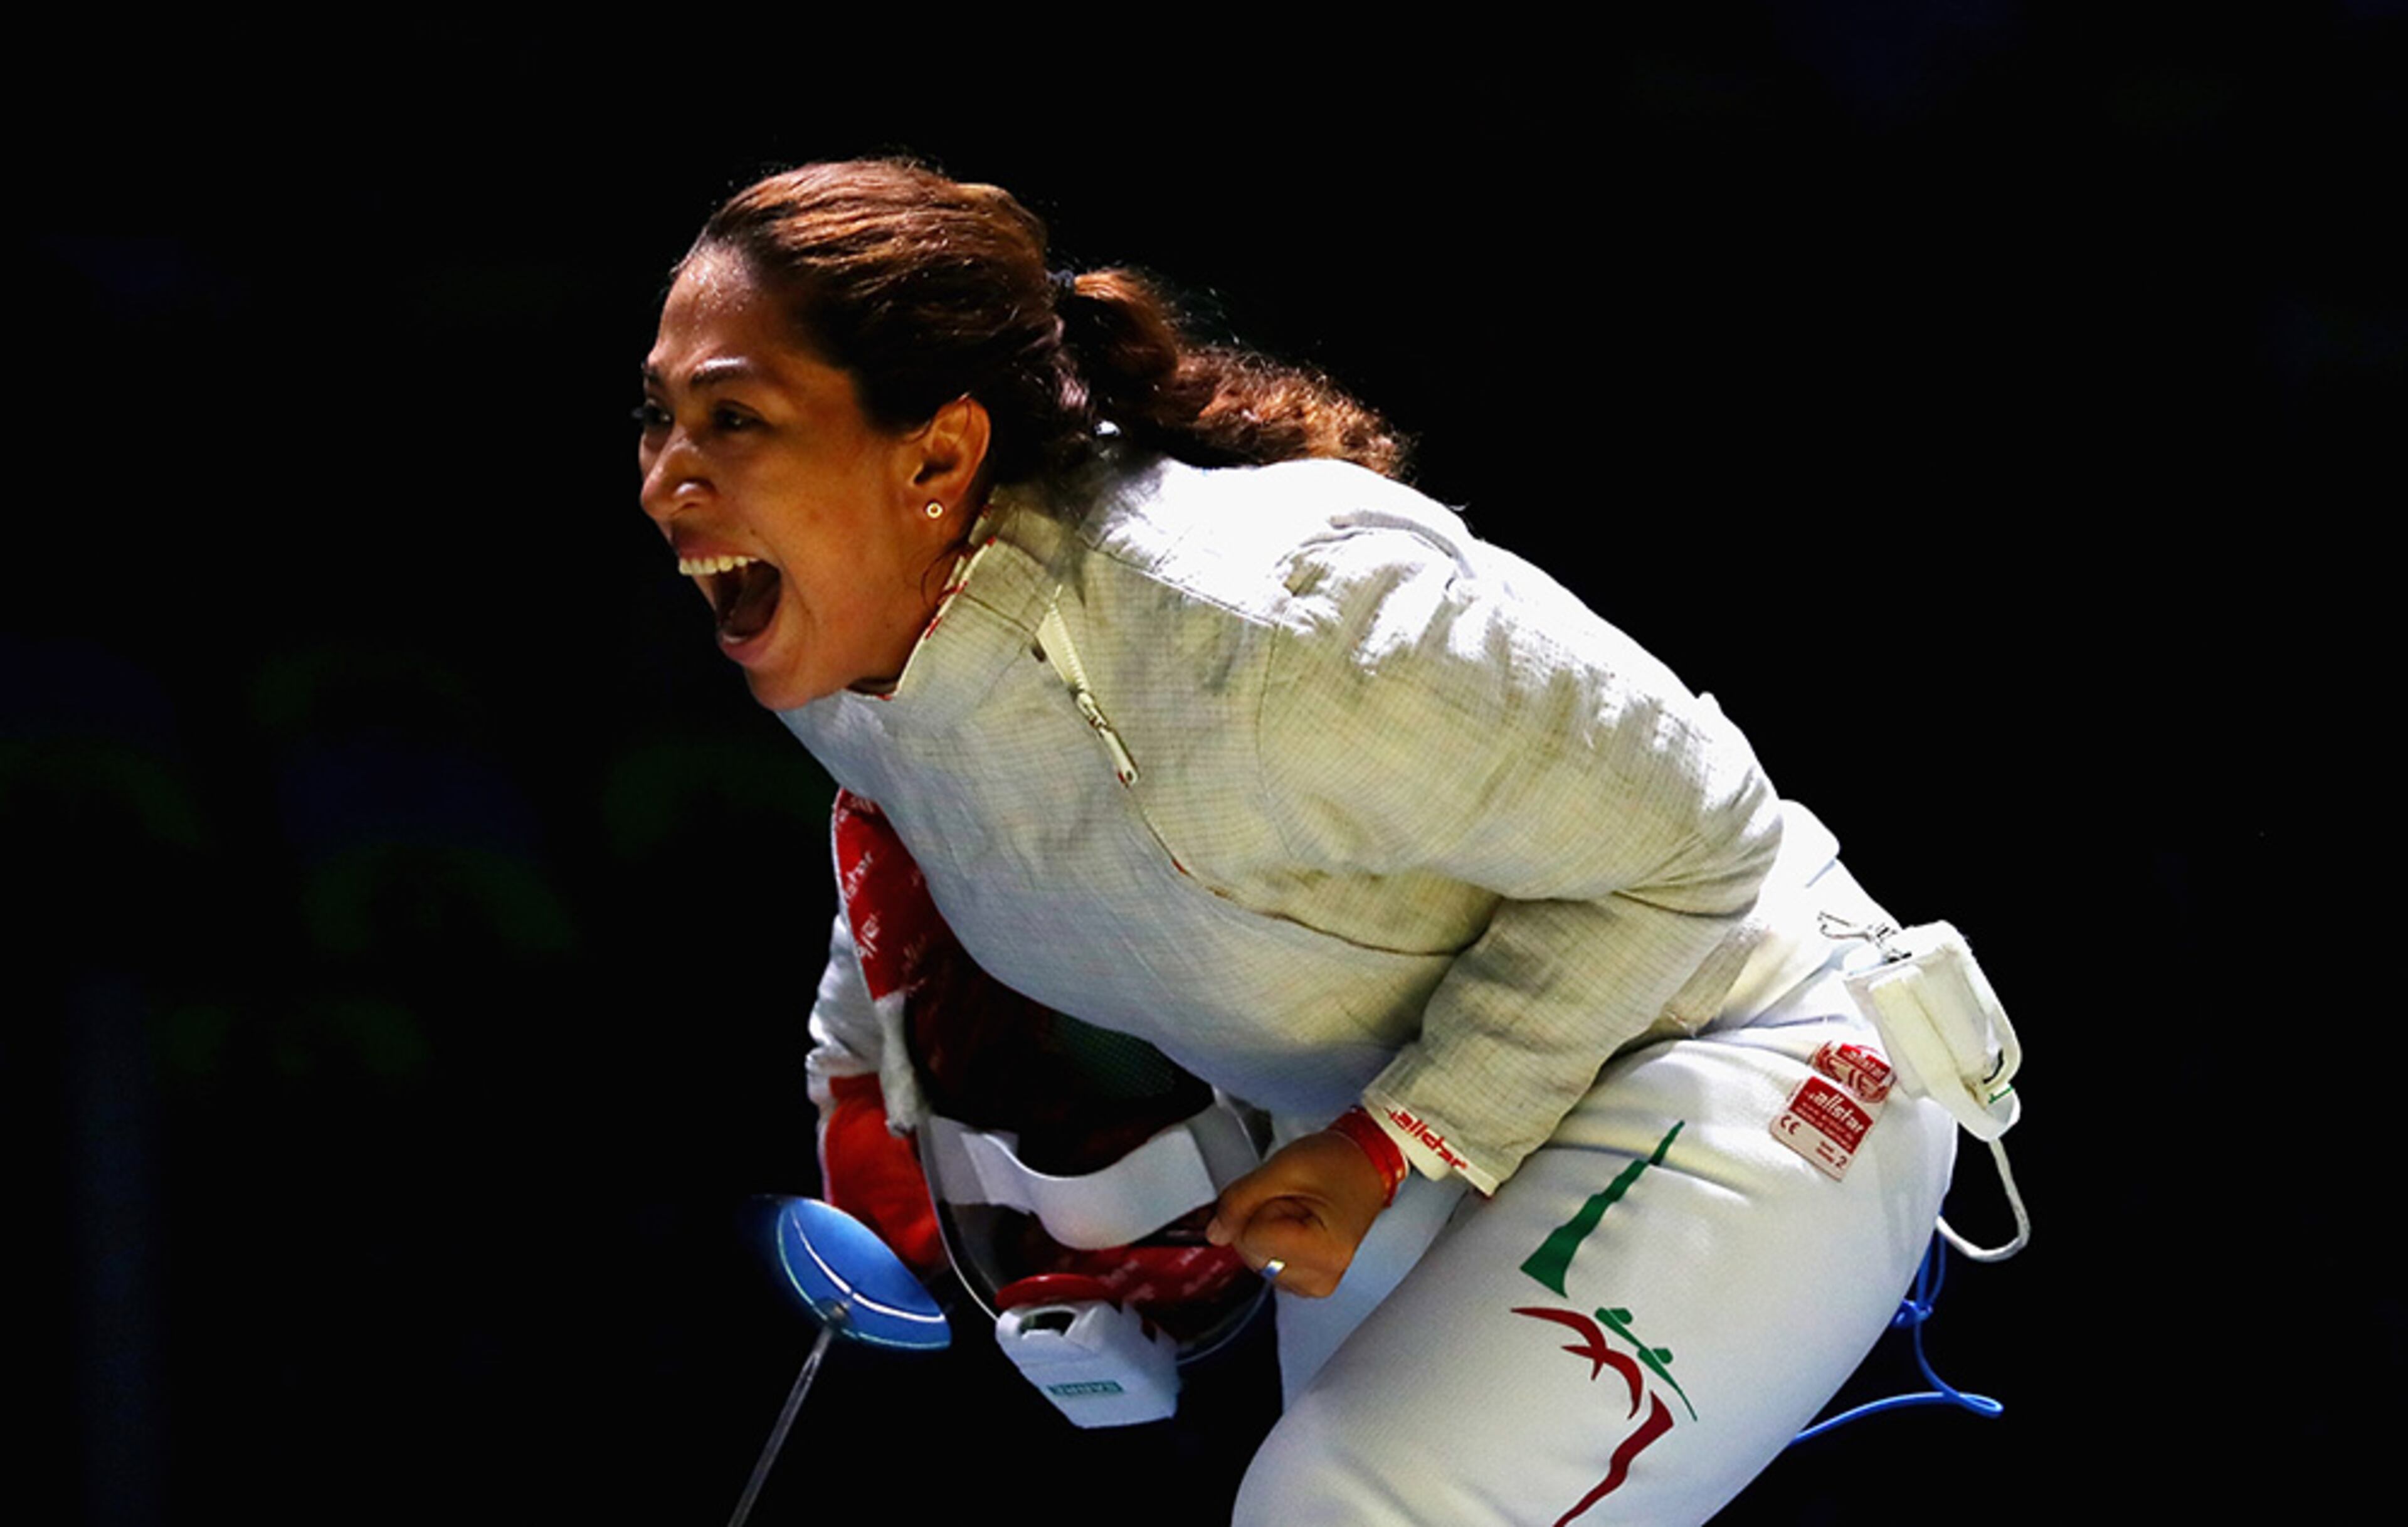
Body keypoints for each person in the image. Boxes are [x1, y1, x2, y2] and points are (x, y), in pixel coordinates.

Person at [637, 158, 1962, 1525]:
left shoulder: (1265, 628)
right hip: (1435, 1124)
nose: (665, 483)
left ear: (936, 458)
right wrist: (868, 1082)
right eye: (657, 416)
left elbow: (1703, 845)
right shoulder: (844, 633)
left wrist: (1397, 1143)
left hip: (1752, 1041)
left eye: (733, 420)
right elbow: (913, 807)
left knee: (1343, 1509)